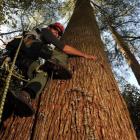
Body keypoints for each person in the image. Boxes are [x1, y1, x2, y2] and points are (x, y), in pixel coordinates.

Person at [6, 22, 97, 116]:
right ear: (49, 27)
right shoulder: (44, 31)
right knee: (60, 52)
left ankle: (25, 95)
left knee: (43, 74)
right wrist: (85, 55)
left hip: (23, 61)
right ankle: (56, 63)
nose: (56, 34)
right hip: (22, 51)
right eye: (56, 30)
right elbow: (64, 48)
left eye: (58, 34)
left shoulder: (41, 42)